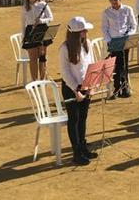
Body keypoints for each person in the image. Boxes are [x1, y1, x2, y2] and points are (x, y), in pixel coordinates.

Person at [59, 16, 98, 165]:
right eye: (83, 30)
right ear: (76, 33)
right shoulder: (64, 49)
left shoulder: (87, 43)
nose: (86, 32)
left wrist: (92, 86)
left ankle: (83, 146)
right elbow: (65, 72)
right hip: (71, 88)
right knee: (74, 119)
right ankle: (76, 152)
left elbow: (91, 64)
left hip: (86, 85)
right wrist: (76, 90)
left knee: (83, 117)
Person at [101, 0, 137, 98]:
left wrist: (128, 36)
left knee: (123, 64)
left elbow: (133, 25)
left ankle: (122, 87)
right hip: (113, 41)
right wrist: (109, 41)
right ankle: (118, 87)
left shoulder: (127, 9)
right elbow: (104, 28)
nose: (114, 2)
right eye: (111, 0)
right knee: (116, 65)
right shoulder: (106, 12)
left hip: (125, 41)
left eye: (115, 0)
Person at [21, 0, 53, 81]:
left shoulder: (43, 4)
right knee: (33, 58)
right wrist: (23, 36)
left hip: (42, 29)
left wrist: (41, 21)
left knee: (42, 56)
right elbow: (23, 23)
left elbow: (51, 18)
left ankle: (42, 79)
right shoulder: (24, 7)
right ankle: (34, 80)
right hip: (30, 31)